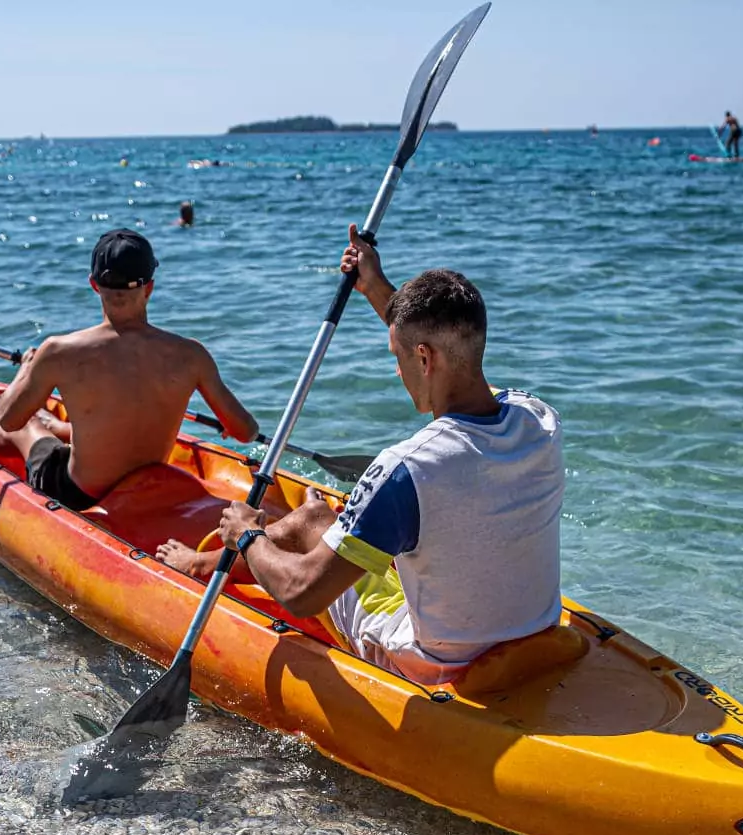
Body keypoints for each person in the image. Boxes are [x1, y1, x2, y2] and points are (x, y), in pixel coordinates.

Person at [156, 226, 566, 686]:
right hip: (535, 633)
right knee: (345, 524)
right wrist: (374, 285)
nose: (397, 369)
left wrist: (249, 536)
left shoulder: (405, 470)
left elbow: (303, 594)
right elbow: (439, 353)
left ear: (425, 359)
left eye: (398, 356)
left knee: (311, 519)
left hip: (431, 662)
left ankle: (202, 564)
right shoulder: (539, 419)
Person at [0, 228, 259, 511]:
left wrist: (26, 369)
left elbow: (10, 420)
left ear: (94, 284)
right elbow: (246, 432)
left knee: (28, 426)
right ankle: (59, 429)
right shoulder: (191, 354)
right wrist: (227, 421)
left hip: (80, 493)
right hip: (149, 483)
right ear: (149, 287)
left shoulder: (59, 351)